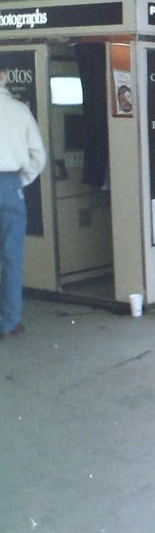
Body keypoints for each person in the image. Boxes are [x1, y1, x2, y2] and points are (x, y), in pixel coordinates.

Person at [0, 68, 47, 341]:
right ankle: (9, 322)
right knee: (11, 258)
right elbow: (37, 156)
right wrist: (19, 181)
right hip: (9, 186)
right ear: (4, 76)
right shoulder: (19, 110)